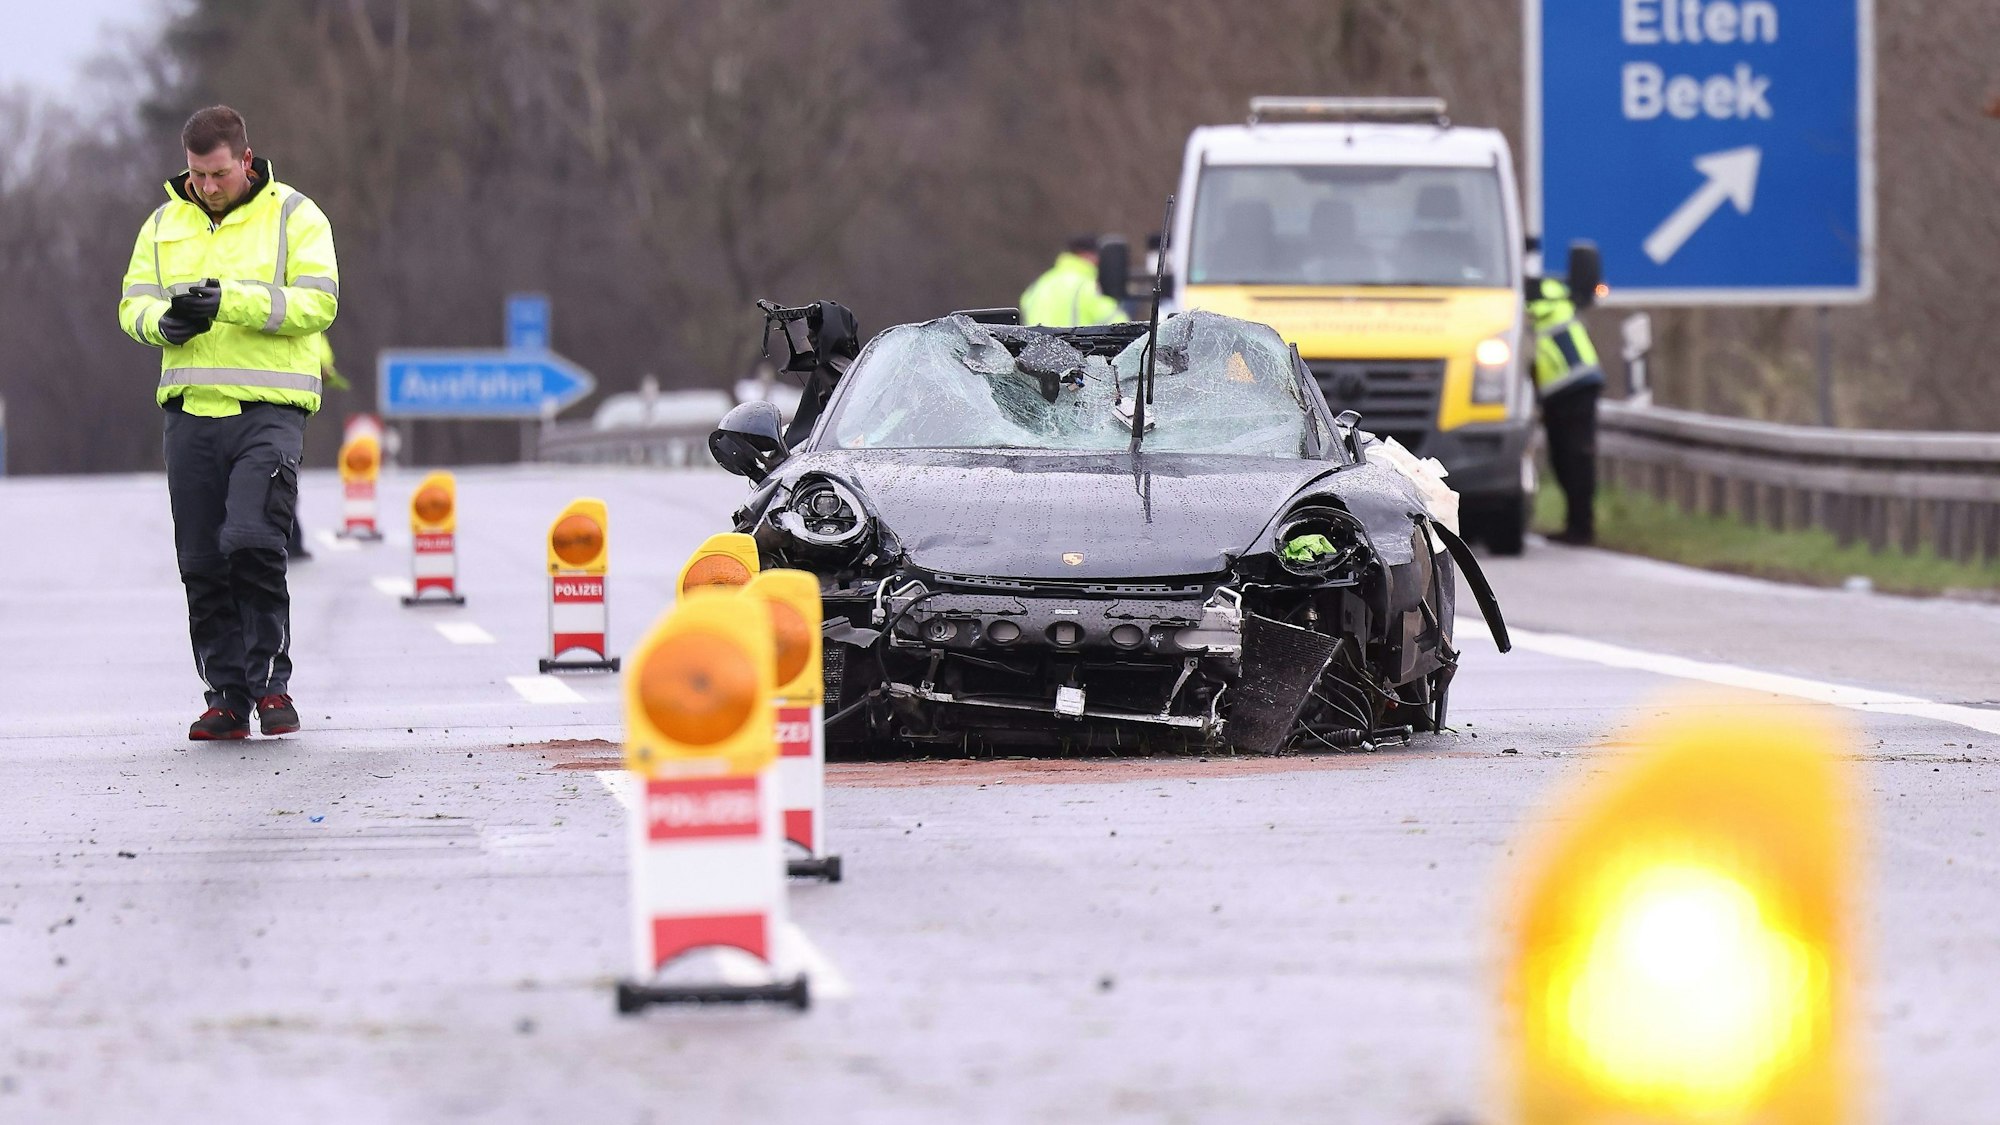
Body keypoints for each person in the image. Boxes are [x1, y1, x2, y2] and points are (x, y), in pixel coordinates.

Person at [117, 106, 339, 741]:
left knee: (251, 539)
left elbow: (320, 302)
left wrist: (230, 301)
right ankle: (225, 696)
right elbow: (131, 303)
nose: (206, 187)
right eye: (196, 175)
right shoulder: (162, 224)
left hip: (269, 411)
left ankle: (271, 685)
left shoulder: (297, 215)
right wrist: (163, 323)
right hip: (190, 415)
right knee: (201, 561)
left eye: (217, 174)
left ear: (245, 160)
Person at [1527, 276, 1604, 545]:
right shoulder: (1551, 290)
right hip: (1567, 387)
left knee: (1575, 459)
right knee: (1566, 459)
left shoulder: (1533, 297)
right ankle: (1578, 525)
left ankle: (1581, 528)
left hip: (1572, 386)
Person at [284, 334, 349, 561]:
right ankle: (289, 541)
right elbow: (322, 361)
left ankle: (289, 540)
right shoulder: (302, 319)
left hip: (282, 407)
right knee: (281, 476)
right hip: (286, 410)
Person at [1020, 234, 1120, 327]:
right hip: (1080, 346)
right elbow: (1119, 326)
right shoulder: (1089, 287)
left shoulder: (1038, 286)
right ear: (1086, 254)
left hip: (1037, 346)